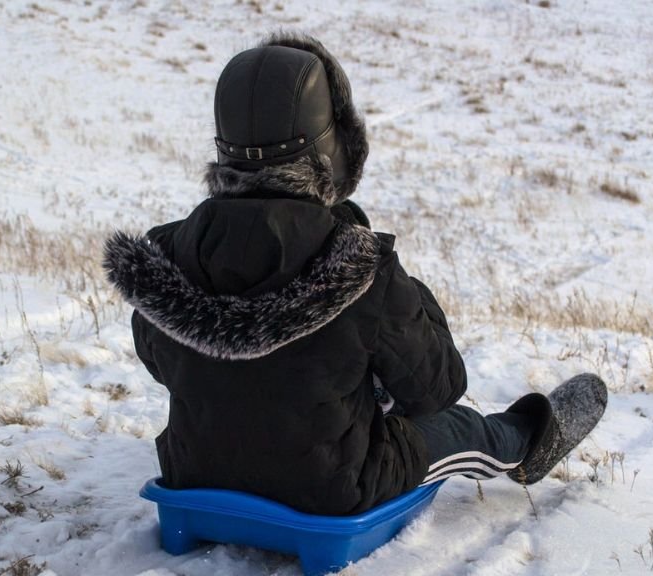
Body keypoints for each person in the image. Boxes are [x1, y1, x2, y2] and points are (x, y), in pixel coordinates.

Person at [104, 32, 607, 516]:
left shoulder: (164, 253)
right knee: (456, 427)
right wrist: (401, 288)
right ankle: (528, 440)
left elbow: (165, 364)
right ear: (332, 148)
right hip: (333, 487)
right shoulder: (360, 265)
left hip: (191, 471)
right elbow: (438, 388)